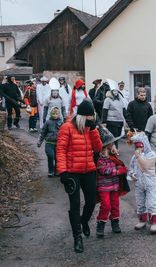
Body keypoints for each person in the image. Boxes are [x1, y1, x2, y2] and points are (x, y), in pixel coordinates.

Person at [56, 100, 102, 253]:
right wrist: (62, 172)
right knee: (74, 205)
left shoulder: (90, 129)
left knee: (91, 201)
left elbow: (98, 148)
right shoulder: (67, 127)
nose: (91, 120)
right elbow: (61, 150)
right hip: (72, 172)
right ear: (82, 116)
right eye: (89, 117)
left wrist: (94, 130)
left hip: (88, 170)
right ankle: (77, 237)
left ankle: (83, 221)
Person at [95, 127, 128, 238]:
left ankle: (115, 223)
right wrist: (118, 171)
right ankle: (101, 224)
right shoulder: (101, 159)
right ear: (106, 146)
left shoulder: (114, 157)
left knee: (115, 205)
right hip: (104, 186)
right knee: (106, 205)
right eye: (111, 143)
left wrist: (122, 168)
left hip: (114, 186)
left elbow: (120, 165)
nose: (113, 145)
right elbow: (104, 171)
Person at [128, 132, 156, 234]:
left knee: (151, 202)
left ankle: (153, 223)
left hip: (150, 183)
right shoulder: (134, 157)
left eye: (140, 146)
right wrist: (132, 174)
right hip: (139, 183)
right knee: (140, 202)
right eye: (137, 146)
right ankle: (142, 220)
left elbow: (146, 166)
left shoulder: (151, 155)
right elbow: (131, 168)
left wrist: (139, 157)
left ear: (145, 145)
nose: (139, 148)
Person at [37, 107, 63, 177]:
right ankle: (50, 171)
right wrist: (40, 141)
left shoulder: (61, 122)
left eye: (56, 114)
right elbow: (43, 132)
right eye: (53, 114)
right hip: (49, 143)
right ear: (51, 114)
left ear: (59, 114)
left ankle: (56, 170)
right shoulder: (48, 122)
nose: (55, 115)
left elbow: (64, 133)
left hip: (58, 144)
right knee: (51, 156)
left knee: (58, 158)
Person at [102, 79, 127, 148]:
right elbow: (105, 111)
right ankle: (114, 149)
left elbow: (124, 110)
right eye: (114, 91)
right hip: (111, 121)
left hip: (119, 121)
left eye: (117, 91)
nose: (115, 92)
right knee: (113, 137)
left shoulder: (120, 99)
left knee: (117, 137)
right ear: (111, 91)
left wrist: (127, 121)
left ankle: (114, 149)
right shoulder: (107, 100)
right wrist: (104, 122)